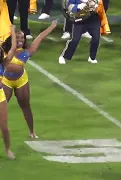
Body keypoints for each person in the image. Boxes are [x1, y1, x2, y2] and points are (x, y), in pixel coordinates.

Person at [1, 20, 57, 139]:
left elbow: (40, 37)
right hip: (6, 80)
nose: (21, 39)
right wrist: (12, 30)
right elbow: (13, 46)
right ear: (12, 39)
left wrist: (52, 26)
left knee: (25, 106)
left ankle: (31, 132)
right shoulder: (3, 51)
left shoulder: (26, 52)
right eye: (18, 37)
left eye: (22, 37)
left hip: (21, 80)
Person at [59, 0, 101, 64]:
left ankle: (92, 57)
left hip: (92, 19)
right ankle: (64, 57)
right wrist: (78, 6)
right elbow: (69, 7)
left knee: (96, 38)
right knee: (75, 40)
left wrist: (94, 5)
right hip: (79, 20)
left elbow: (97, 3)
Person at [0, 25, 16, 160]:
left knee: (4, 127)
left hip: (0, 96)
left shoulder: (3, 64)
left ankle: (7, 149)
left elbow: (13, 48)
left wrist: (12, 32)